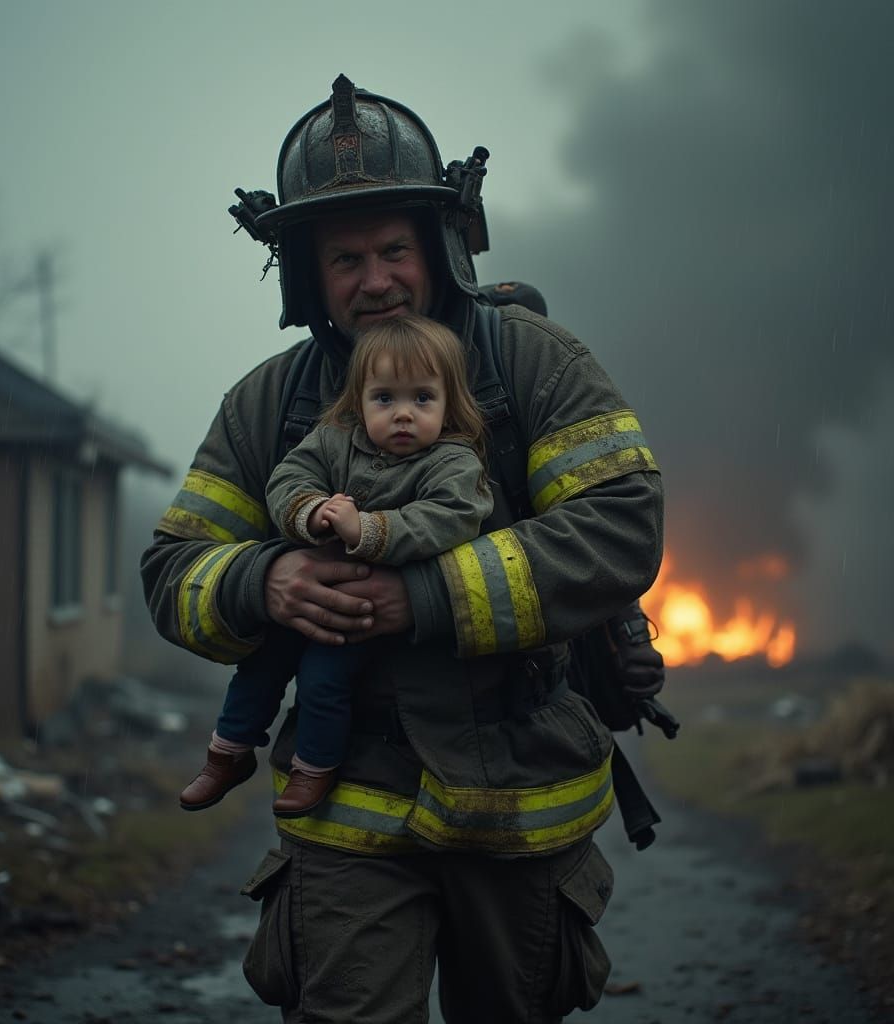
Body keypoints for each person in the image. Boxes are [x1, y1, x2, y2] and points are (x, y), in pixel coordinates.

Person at [142, 74, 663, 1023]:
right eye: (345, 258)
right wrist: (266, 580)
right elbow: (171, 571)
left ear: (439, 247)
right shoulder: (268, 405)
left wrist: (422, 597)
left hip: (521, 800)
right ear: (309, 274)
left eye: (392, 249)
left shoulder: (533, 363)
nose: (374, 279)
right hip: (347, 806)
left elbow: (622, 524)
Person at [178, 314, 493, 818]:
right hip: (303, 598)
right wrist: (308, 510)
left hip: (365, 613)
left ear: (449, 402)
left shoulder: (453, 464)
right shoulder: (333, 439)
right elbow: (287, 477)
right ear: (360, 400)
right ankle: (228, 753)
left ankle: (313, 768)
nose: (404, 414)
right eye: (385, 399)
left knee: (323, 678)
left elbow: (451, 519)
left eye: (423, 398)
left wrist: (368, 531)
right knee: (260, 664)